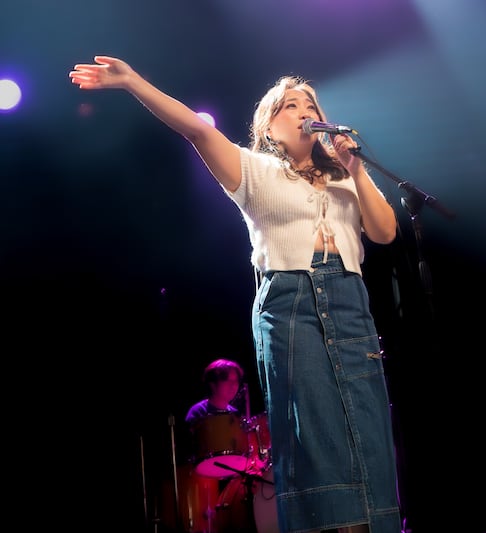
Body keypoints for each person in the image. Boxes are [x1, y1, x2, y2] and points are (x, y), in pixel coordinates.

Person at [69, 56, 402, 533]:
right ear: (269, 125)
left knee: (367, 422)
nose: (305, 109)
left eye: (310, 102)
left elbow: (385, 232)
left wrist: (356, 168)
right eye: (291, 105)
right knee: (315, 430)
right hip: (292, 303)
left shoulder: (345, 178)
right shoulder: (256, 170)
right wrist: (133, 82)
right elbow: (197, 131)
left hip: (350, 300)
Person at [185, 358, 245, 425]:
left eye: (235, 381)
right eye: (227, 380)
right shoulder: (198, 412)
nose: (233, 385)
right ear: (212, 384)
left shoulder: (235, 414)